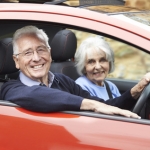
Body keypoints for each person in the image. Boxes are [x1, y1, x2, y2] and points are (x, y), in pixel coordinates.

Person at [1, 25, 150, 119]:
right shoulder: (10, 89)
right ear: (16, 61)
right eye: (27, 53)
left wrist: (138, 88)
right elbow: (36, 95)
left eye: (41, 50)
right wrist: (91, 105)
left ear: (50, 53)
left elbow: (105, 105)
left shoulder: (62, 81)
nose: (36, 58)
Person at [75, 36, 120, 100]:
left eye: (102, 60)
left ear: (109, 63)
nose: (98, 67)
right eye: (91, 62)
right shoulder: (80, 88)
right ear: (83, 66)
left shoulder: (111, 87)